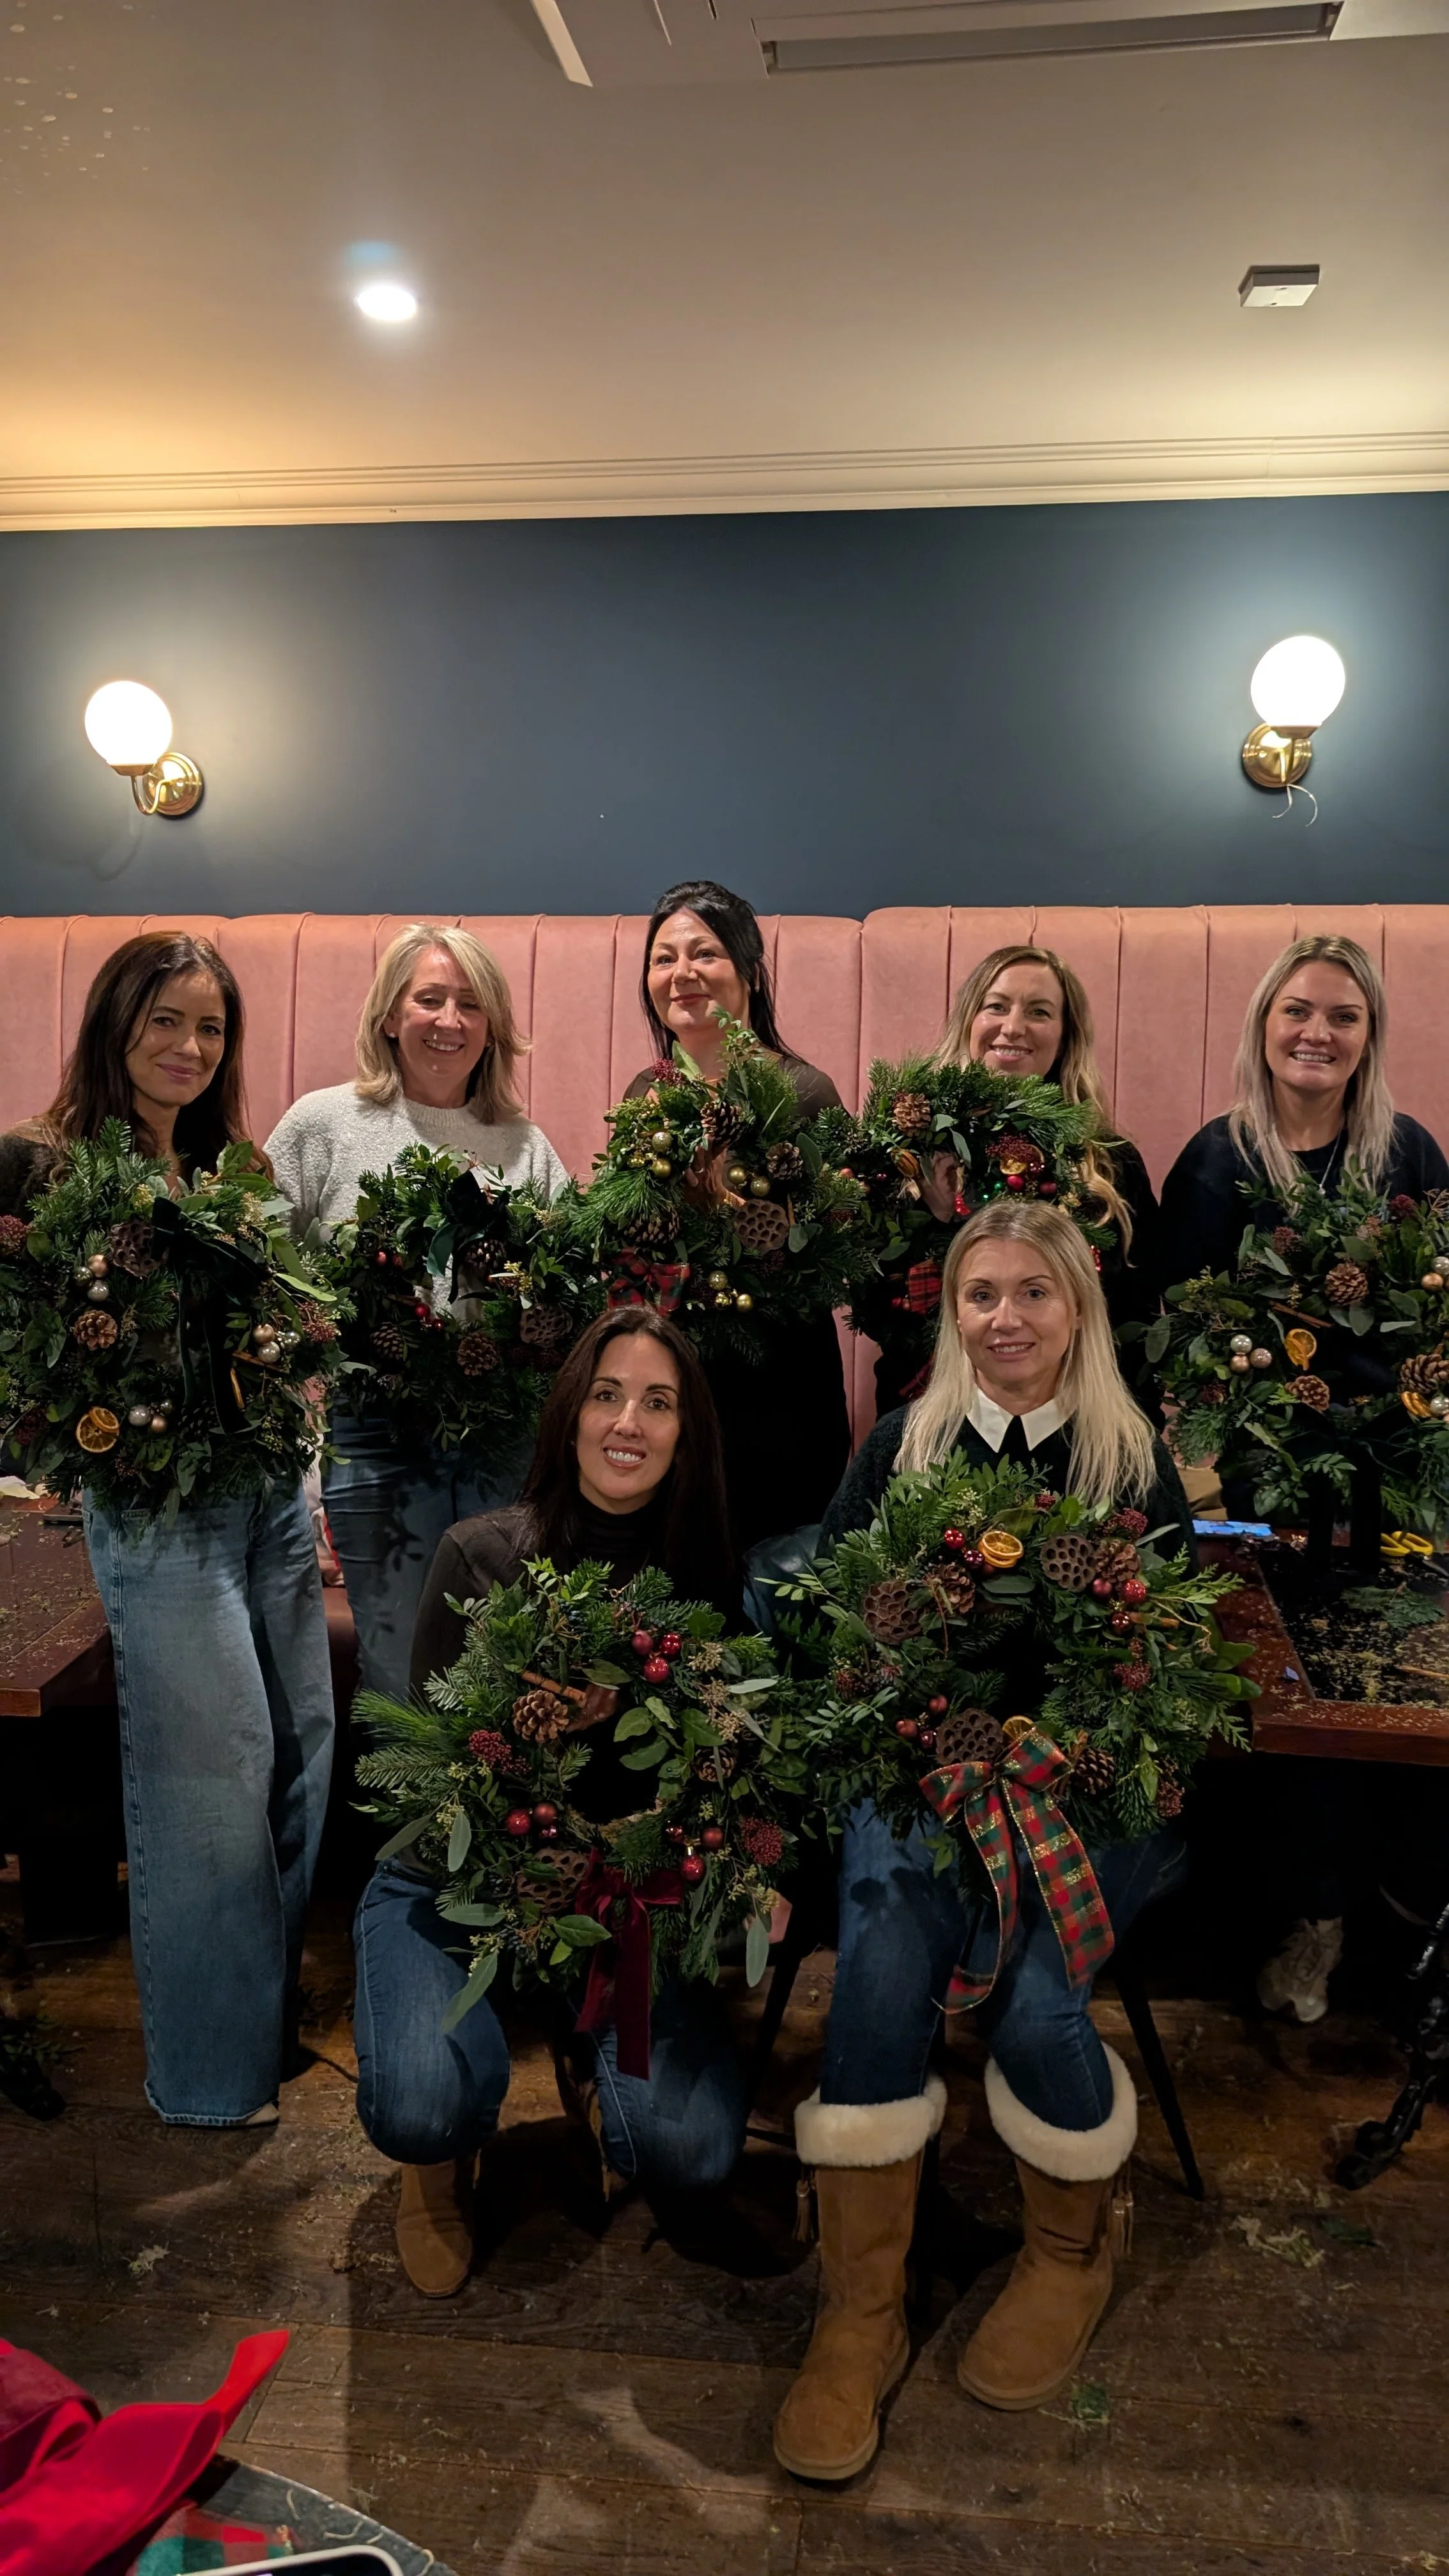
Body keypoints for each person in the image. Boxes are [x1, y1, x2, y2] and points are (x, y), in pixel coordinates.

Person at [772, 1200, 1192, 2485]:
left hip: (1091, 1791)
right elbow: (835, 1622)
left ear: (1078, 1309)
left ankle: (1071, 2247)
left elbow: (1161, 1675)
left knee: (1031, 2002)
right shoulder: (906, 1445)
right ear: (952, 1313)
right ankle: (862, 2308)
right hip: (918, 1779)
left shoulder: (1128, 1464)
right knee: (883, 1972)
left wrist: (1052, 1756)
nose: (1005, 1320)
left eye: (1033, 1295)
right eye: (980, 1295)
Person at [0, 932, 334, 2129]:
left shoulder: (229, 1167)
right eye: (166, 1023)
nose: (191, 1048)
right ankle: (207, 2079)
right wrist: (73, 1448)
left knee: (301, 1756)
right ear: (113, 1024)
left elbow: (281, 1330)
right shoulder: (39, 1166)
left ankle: (255, 2020)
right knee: (212, 1780)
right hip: (158, 1519)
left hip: (266, 1503)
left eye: (211, 1027)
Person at [352, 1308, 750, 2298]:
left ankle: (587, 2053)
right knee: (418, 2104)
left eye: (659, 1403)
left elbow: (716, 1776)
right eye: (608, 1394)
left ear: (686, 1434)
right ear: (570, 1416)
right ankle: (436, 2164)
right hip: (456, 1889)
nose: (629, 1422)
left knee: (691, 2153)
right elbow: (442, 1781)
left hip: (619, 1900)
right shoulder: (483, 1559)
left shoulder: (702, 1580)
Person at [1158, 933, 1449, 2027]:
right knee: (1300, 1699)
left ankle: (1395, 1914)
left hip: (1391, 1469)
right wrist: (1201, 1498)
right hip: (1256, 1478)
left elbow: (1438, 1313)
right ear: (1261, 1025)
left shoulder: (1405, 1154)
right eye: (1296, 1012)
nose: (1315, 1033)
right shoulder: (1215, 1160)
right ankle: (1308, 1915)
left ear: (1368, 1038)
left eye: (1341, 1016)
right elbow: (1175, 1344)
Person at [266, 924, 569, 1701]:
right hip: (377, 1437)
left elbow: (571, 1299)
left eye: (471, 1004)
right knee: (402, 1678)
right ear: (389, 1017)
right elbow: (257, 1274)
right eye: (429, 999)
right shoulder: (323, 1125)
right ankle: (407, 1827)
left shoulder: (525, 1148)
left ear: (493, 1026)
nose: (449, 1020)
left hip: (503, 1441)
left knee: (505, 1676)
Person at [622, 879, 850, 1547]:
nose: (682, 974)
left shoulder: (804, 1093)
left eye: (705, 954)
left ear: (750, 971)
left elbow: (837, 1251)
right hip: (669, 1392)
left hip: (782, 1399)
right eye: (664, 959)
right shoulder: (645, 1097)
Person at [862, 944, 1161, 1414]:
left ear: (1066, 1036)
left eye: (1039, 1012)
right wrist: (942, 1220)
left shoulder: (1110, 1166)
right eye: (996, 1006)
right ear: (969, 1021)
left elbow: (1136, 1318)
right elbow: (876, 1312)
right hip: (931, 1415)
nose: (1014, 1027)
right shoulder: (905, 1152)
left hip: (1078, 1419)